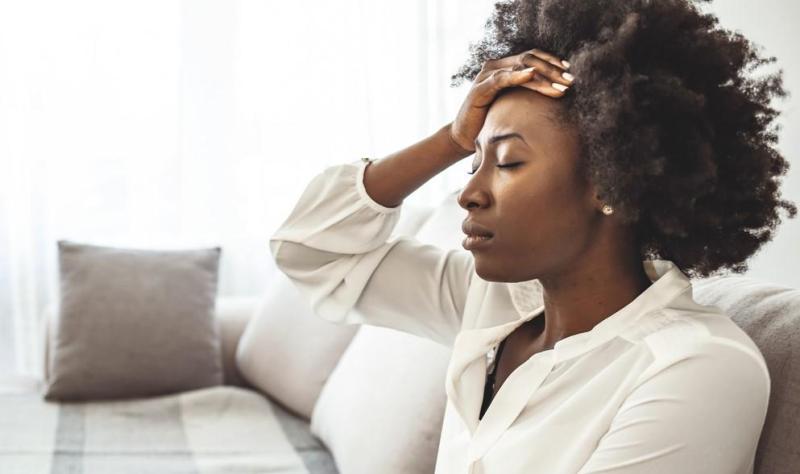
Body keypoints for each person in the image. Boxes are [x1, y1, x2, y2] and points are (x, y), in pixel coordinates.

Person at [269, 0, 797, 472]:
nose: (468, 193)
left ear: (609, 182)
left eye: (508, 162)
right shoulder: (494, 303)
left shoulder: (693, 368)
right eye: (472, 160)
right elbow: (312, 251)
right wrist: (450, 139)